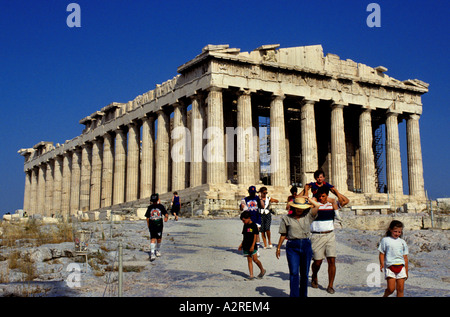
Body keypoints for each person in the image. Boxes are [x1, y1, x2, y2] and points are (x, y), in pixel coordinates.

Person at [276, 195, 320, 297]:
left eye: (301, 207)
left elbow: (317, 206)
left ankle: (303, 295)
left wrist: (308, 199)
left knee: (304, 274)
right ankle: (294, 295)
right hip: (292, 246)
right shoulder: (286, 218)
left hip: (305, 245)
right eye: (297, 207)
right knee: (294, 272)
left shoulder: (308, 216)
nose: (299, 210)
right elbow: (283, 234)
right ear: (294, 207)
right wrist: (278, 247)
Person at [310, 186, 340, 294]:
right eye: (320, 196)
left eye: (323, 196)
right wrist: (312, 198)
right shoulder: (313, 206)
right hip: (317, 236)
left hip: (330, 234)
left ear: (327, 196)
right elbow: (300, 203)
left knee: (332, 260)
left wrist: (335, 193)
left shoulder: (332, 205)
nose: (321, 198)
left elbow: (346, 201)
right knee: (317, 262)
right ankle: (314, 275)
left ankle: (330, 285)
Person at [378, 220, 409, 297]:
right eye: (395, 231)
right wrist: (382, 263)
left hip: (401, 267)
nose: (397, 234)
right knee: (391, 289)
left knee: (400, 289)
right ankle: (385, 295)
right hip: (390, 266)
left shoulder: (402, 242)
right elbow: (382, 253)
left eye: (399, 232)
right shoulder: (385, 240)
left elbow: (405, 257)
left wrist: (406, 271)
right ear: (390, 229)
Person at [238, 211, 266, 280]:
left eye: (244, 220)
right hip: (246, 245)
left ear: (249, 218)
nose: (243, 221)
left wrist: (253, 246)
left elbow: (255, 236)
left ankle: (262, 270)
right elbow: (244, 236)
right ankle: (251, 275)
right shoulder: (245, 225)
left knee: (255, 259)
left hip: (252, 245)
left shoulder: (254, 225)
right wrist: (241, 244)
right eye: (242, 220)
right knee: (249, 260)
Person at [145, 193, 169, 261]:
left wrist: (166, 217)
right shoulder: (150, 207)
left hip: (159, 225)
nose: (154, 202)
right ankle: (152, 253)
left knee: (159, 238)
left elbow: (166, 213)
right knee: (153, 238)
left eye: (155, 201)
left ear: (158, 200)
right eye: (153, 201)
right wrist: (148, 225)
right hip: (152, 225)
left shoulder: (161, 206)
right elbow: (147, 217)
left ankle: (158, 250)